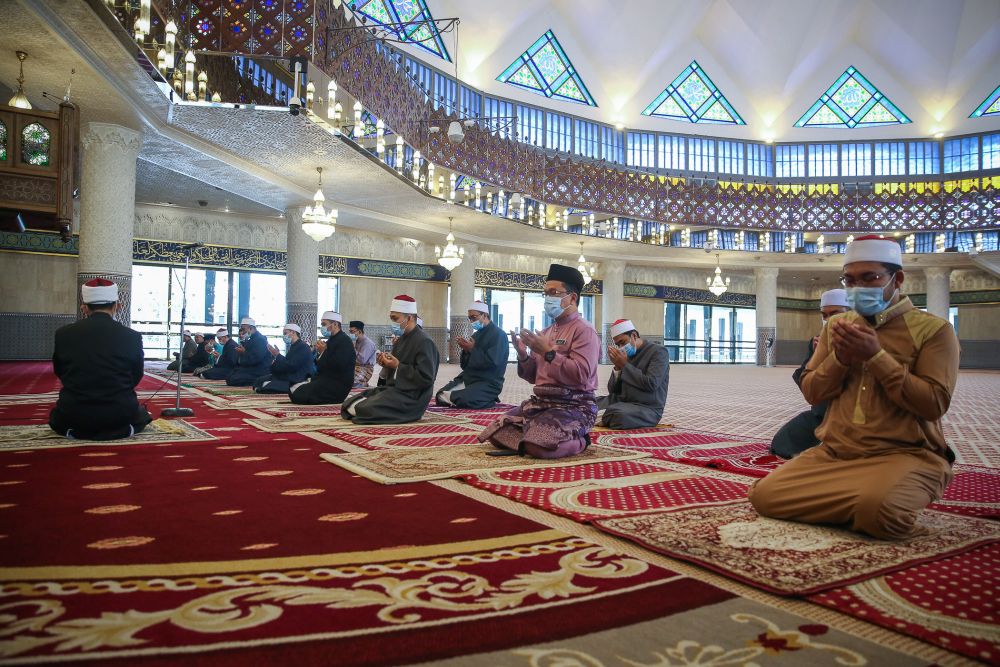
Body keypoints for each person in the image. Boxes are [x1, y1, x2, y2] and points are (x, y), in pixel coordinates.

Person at [749, 235, 960, 540]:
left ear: (897, 279)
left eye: (869, 277)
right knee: (765, 496)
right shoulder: (837, 326)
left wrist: (876, 357)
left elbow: (934, 404)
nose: (858, 288)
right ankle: (859, 504)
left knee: (882, 513)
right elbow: (812, 392)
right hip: (835, 454)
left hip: (905, 455)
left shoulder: (935, 331)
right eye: (849, 280)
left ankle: (869, 501)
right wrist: (841, 359)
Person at [478, 264, 599, 459]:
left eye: (554, 292)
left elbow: (581, 374)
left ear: (572, 297)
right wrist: (523, 355)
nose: (548, 298)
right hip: (542, 404)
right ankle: (538, 436)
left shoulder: (584, 331)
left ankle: (581, 441)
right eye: (546, 293)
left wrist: (549, 353)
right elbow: (533, 376)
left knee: (538, 449)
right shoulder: (546, 332)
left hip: (573, 406)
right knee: (496, 433)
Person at [48, 278, 152, 440]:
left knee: (57, 417)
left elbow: (60, 371)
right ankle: (124, 430)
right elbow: (136, 375)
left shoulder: (63, 333)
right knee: (142, 414)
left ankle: (73, 431)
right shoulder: (132, 336)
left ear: (84, 308)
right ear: (116, 306)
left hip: (75, 414)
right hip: (119, 413)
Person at [769, 289, 851, 459]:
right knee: (782, 443)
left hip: (849, 414)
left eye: (834, 313)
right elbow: (806, 384)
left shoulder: (860, 340)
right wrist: (817, 355)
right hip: (822, 413)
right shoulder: (818, 340)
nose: (828, 319)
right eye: (824, 315)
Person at [341, 295, 439, 423]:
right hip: (395, 390)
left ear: (409, 318)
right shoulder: (401, 340)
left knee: (365, 408)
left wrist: (397, 366)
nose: (392, 323)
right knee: (349, 403)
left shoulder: (425, 341)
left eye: (395, 318)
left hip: (412, 397)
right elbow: (392, 373)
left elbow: (426, 378)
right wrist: (386, 364)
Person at [596, 318, 670, 429]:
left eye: (622, 342)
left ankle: (599, 415)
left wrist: (624, 365)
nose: (621, 348)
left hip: (646, 407)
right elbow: (612, 391)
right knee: (587, 402)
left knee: (619, 415)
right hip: (622, 401)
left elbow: (651, 384)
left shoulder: (659, 352)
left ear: (634, 335)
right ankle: (601, 415)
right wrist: (617, 368)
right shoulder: (625, 355)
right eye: (618, 345)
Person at [436, 300, 508, 408]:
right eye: (469, 318)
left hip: (488, 383)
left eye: (474, 317)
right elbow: (464, 366)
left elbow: (493, 362)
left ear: (484, 315)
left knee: (461, 398)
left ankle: (487, 398)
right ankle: (475, 398)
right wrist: (466, 350)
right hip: (469, 379)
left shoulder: (499, 335)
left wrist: (472, 349)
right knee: (440, 395)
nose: (471, 321)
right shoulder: (476, 335)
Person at [291, 311, 356, 404]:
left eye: (324, 324)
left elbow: (339, 366)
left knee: (298, 394)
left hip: (338, 384)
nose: (322, 327)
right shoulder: (332, 340)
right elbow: (322, 366)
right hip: (327, 380)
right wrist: (319, 353)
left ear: (335, 324)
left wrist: (323, 352)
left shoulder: (345, 341)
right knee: (294, 389)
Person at [253, 323, 316, 394]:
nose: (284, 336)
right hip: (289, 375)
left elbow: (292, 366)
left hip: (298, 378)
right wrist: (275, 360)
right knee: (259, 380)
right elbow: (286, 363)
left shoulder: (303, 347)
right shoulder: (293, 346)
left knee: (267, 385)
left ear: (293, 332)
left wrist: (277, 355)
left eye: (285, 333)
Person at [225, 317, 272, 386]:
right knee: (229, 377)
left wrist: (244, 352)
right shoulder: (250, 339)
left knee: (234, 379)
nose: (242, 332)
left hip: (259, 370)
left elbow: (256, 359)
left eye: (243, 329)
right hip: (251, 368)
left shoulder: (260, 340)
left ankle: (260, 381)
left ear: (251, 328)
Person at [349, 320, 377, 388]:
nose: (351, 334)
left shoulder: (368, 343)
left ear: (359, 331)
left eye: (352, 331)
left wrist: (353, 348)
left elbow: (362, 361)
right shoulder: (357, 341)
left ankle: (363, 384)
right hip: (357, 367)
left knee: (351, 380)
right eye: (350, 332)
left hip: (366, 369)